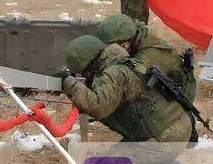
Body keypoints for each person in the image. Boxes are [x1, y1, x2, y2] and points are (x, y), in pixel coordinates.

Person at [61, 35, 193, 143]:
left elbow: (98, 106)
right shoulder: (123, 62)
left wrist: (69, 84)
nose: (84, 76)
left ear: (90, 64)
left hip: (165, 136)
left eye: (84, 72)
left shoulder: (113, 73)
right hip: (175, 126)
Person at [95, 14, 196, 102]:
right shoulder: (141, 35)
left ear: (124, 45)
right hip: (165, 84)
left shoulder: (146, 59)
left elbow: (130, 86)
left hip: (178, 96)